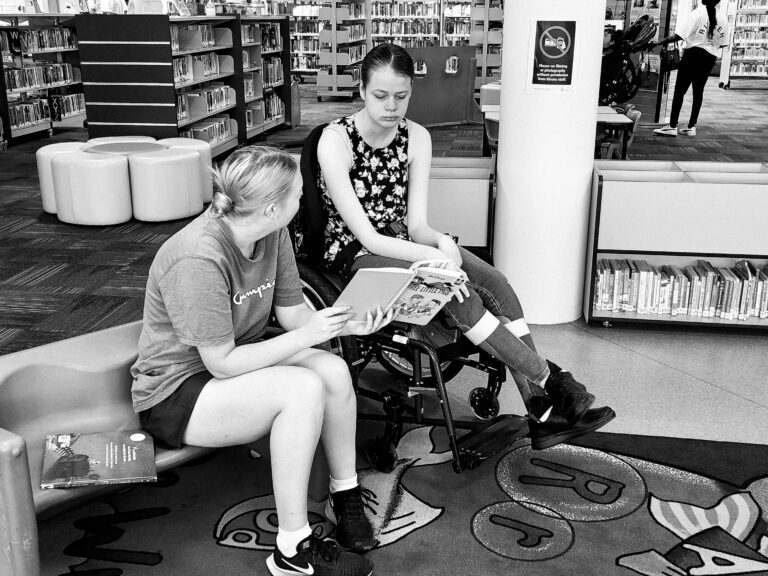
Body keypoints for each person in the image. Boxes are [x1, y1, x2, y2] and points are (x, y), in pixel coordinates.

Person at [316, 43, 616, 451]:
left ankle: (540, 411)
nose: (391, 106)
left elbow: (415, 225)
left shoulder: (416, 137)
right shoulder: (335, 141)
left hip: (402, 240)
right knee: (457, 294)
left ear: (411, 92)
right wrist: (436, 260)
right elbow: (368, 237)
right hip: (354, 250)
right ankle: (551, 382)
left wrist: (441, 244)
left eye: (401, 97)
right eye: (380, 96)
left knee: (496, 282)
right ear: (361, 90)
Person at [130, 146, 393, 576]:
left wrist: (350, 325)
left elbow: (292, 315)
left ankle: (343, 495)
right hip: (176, 392)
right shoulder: (198, 256)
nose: (304, 202)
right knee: (301, 388)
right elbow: (223, 364)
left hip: (235, 367)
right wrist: (309, 337)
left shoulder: (272, 231)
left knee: (331, 369)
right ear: (272, 207)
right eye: (299, 196)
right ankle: (292, 550)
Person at [651, 0, 728, 137]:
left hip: (693, 54)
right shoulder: (723, 19)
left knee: (680, 91)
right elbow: (722, 44)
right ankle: (691, 126)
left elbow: (679, 35)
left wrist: (659, 42)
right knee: (698, 92)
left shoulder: (697, 13)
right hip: (709, 58)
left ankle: (672, 125)